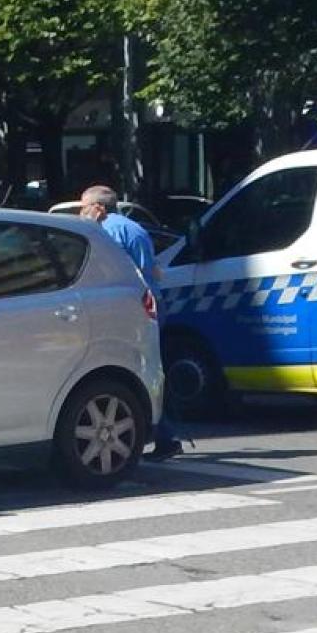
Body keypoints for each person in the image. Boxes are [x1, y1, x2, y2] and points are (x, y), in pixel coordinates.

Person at [78, 185, 183, 461]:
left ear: (98, 208)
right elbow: (149, 271)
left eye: (83, 206)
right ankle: (164, 436)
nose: (80, 212)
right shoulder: (134, 229)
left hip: (130, 307)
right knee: (150, 367)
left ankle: (163, 435)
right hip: (147, 303)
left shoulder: (103, 232)